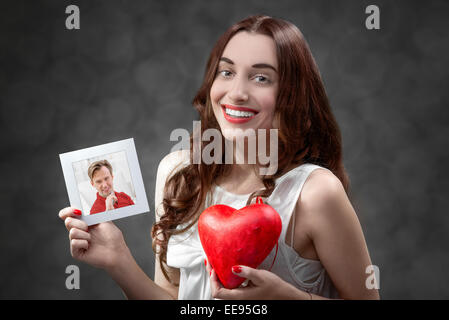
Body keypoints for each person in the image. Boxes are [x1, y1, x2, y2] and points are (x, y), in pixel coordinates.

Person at [59, 15, 380, 300]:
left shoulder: (316, 192)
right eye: (226, 72)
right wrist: (119, 260)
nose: (236, 92)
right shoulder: (177, 174)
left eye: (261, 77)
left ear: (292, 94)